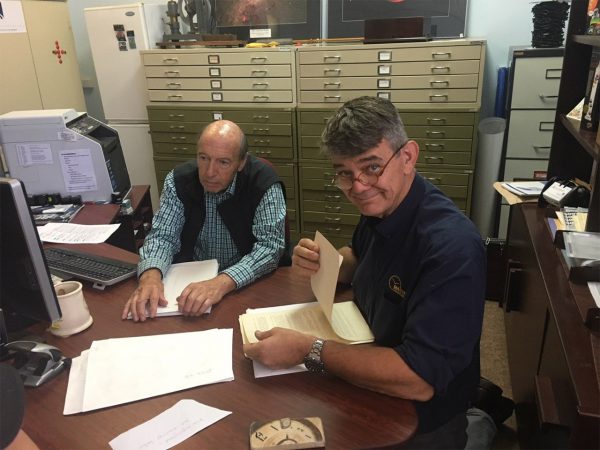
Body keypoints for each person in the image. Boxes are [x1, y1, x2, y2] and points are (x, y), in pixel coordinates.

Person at [243, 96, 486, 448]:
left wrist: (308, 351)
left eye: (371, 167)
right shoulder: (383, 205)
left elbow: (417, 378)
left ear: (408, 157)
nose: (357, 187)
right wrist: (333, 264)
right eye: (344, 173)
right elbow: (359, 255)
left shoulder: (452, 248)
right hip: (366, 354)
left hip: (420, 417)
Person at [122, 120, 287, 322]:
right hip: (190, 284)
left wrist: (221, 283)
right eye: (203, 158)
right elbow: (163, 236)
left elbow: (270, 247)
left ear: (241, 162)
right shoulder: (178, 180)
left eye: (223, 162)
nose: (209, 172)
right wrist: (150, 276)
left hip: (246, 286)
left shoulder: (263, 182)